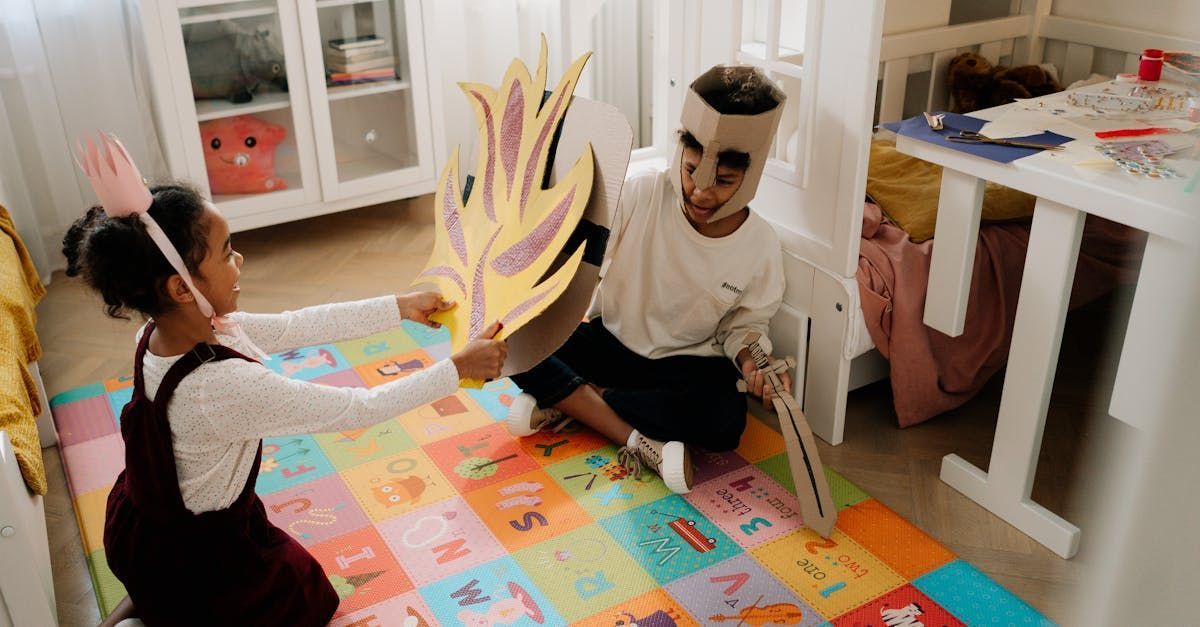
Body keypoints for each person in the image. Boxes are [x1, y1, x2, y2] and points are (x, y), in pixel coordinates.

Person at [70, 135, 506, 626]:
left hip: (143, 524)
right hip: (199, 554)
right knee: (304, 597)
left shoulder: (160, 333)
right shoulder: (222, 386)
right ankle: (163, 607)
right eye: (226, 253)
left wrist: (400, 307)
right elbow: (359, 410)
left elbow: (296, 325)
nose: (239, 261)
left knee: (259, 576)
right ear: (180, 286)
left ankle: (151, 601)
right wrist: (458, 369)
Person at [505, 65, 790, 494]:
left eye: (723, 182)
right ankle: (633, 435)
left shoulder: (760, 244)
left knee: (725, 423)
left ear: (749, 178)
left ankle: (575, 401)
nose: (699, 191)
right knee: (511, 338)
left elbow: (745, 327)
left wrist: (755, 365)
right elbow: (580, 260)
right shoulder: (641, 194)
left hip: (684, 366)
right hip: (610, 344)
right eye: (690, 170)